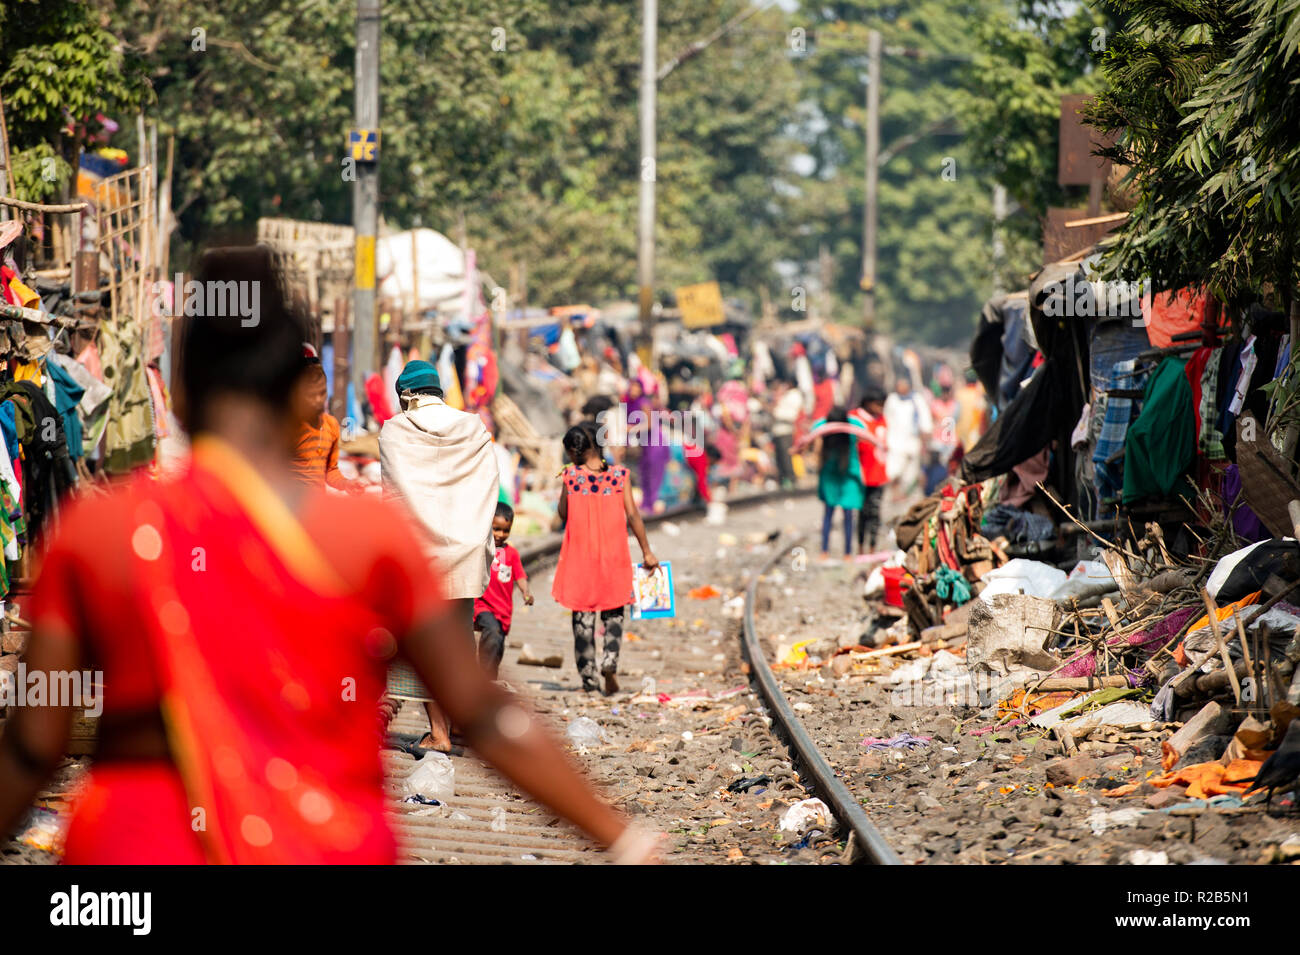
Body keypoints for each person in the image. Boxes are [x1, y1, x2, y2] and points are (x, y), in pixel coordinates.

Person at [0, 247, 655, 864]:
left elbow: (33, 746)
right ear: (299, 392)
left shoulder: (98, 533)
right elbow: (482, 711)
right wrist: (618, 834)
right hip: (320, 842)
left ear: (181, 391)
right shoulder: (366, 538)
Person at [379, 359, 499, 753]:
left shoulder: (395, 431)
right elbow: (488, 487)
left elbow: (394, 498)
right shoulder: (473, 427)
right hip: (464, 551)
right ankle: (464, 724)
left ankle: (440, 732)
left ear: (407, 394)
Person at [553, 424, 658, 696]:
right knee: (613, 617)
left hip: (581, 562)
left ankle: (589, 680)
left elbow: (563, 513)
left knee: (583, 623)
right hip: (614, 559)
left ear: (574, 451)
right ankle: (609, 662)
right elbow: (634, 516)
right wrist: (647, 550)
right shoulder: (620, 476)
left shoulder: (571, 476)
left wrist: (566, 484)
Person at [474, 501, 533, 680]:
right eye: (496, 529)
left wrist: (526, 591)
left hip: (504, 611)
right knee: (492, 631)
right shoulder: (482, 549)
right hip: (482, 606)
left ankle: (490, 680)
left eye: (505, 530)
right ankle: (483, 678)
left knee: (497, 646)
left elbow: (520, 576)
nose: (500, 534)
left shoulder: (512, 554)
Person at [290, 349, 361, 491]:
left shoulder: (331, 425)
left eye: (322, 393)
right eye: (311, 395)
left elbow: (330, 471)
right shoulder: (288, 426)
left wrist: (347, 485)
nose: (318, 400)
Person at [809, 406, 865, 559]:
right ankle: (824, 551)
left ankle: (847, 552)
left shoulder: (854, 425)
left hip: (848, 474)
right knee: (829, 513)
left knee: (848, 515)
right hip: (831, 474)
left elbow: (865, 436)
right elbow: (811, 439)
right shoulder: (821, 426)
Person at [850, 388, 888, 554]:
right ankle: (860, 548)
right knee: (861, 513)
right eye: (878, 405)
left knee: (874, 513)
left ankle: (872, 548)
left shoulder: (882, 420)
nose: (880, 408)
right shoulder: (854, 418)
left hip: (878, 474)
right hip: (860, 474)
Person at [884, 374, 932, 501]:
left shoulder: (917, 400)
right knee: (893, 472)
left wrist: (924, 442)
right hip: (894, 443)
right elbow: (886, 420)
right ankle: (895, 495)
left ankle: (906, 498)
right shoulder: (892, 399)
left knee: (911, 475)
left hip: (912, 444)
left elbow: (925, 423)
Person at [770, 378, 802, 489]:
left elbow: (791, 415)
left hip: (785, 431)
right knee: (779, 457)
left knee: (786, 456)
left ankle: (791, 479)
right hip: (777, 431)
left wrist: (776, 413)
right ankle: (783, 479)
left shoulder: (794, 396)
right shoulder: (784, 395)